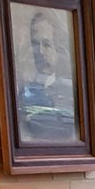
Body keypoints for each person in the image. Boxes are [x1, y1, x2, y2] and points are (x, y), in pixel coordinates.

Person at [16, 9, 77, 143]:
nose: (40, 52)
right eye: (36, 44)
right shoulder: (23, 95)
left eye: (47, 44)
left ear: (58, 47)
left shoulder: (73, 94)